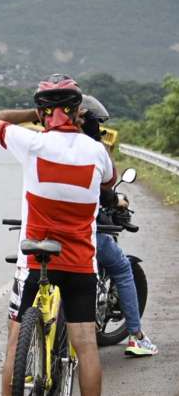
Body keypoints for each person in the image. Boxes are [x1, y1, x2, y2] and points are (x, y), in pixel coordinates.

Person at [0, 74, 114, 396]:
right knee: (86, 347)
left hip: (36, 257)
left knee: (15, 342)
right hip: (81, 262)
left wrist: (32, 115)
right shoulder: (96, 152)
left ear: (42, 113)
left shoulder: (32, 144)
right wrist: (90, 135)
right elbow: (109, 184)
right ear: (78, 109)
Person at [79, 94, 158, 356]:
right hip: (84, 234)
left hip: (43, 232)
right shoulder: (93, 151)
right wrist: (118, 201)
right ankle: (136, 336)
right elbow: (107, 190)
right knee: (123, 269)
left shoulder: (46, 146)